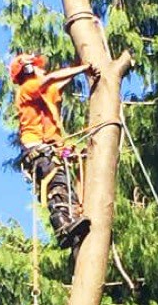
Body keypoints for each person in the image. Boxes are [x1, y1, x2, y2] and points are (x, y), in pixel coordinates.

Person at [9, 52, 98, 249]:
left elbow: (58, 84)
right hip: (38, 148)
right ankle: (62, 227)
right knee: (57, 183)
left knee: (65, 182)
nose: (43, 70)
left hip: (51, 148)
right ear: (29, 69)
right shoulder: (27, 88)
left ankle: (72, 219)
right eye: (38, 67)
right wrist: (83, 68)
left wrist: (77, 66)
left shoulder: (42, 92)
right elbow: (51, 79)